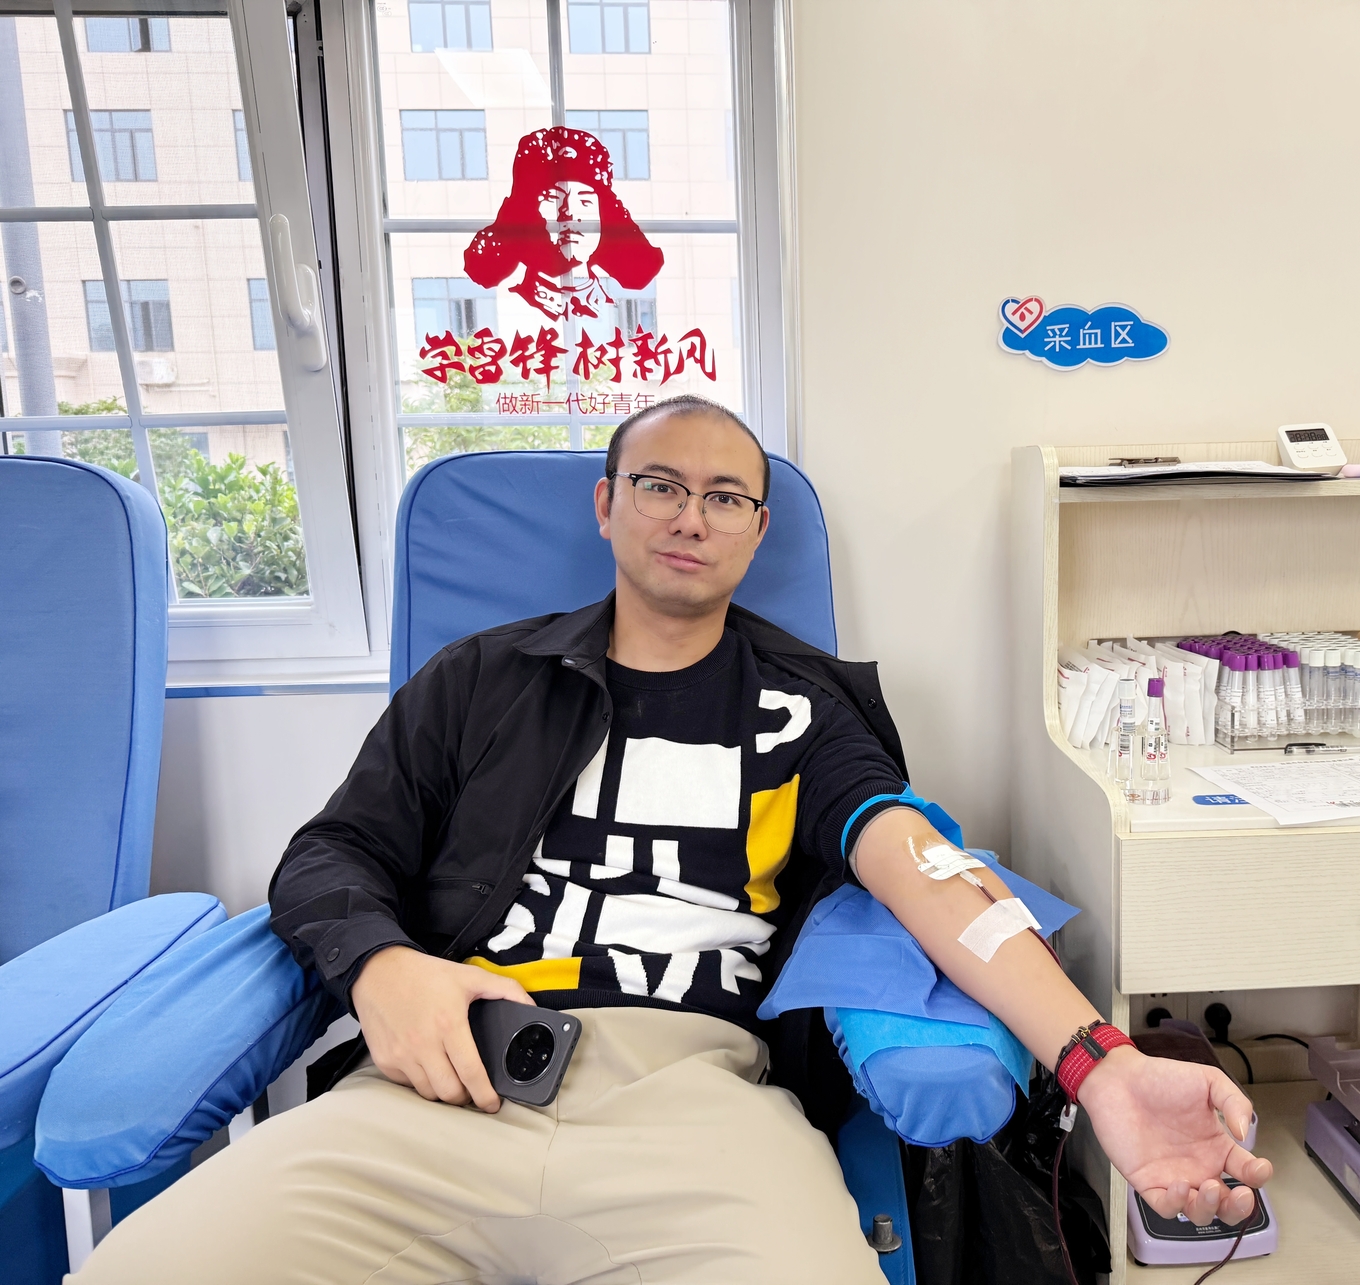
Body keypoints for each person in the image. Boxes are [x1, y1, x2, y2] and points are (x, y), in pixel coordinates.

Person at [74, 395, 1272, 1283]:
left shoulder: (807, 706)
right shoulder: (479, 680)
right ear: (607, 505)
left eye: (725, 496)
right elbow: (331, 853)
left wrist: (1100, 1062)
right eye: (659, 484)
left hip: (698, 1106)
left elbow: (917, 863)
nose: (690, 515)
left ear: (755, 531)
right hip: (440, 1090)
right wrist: (385, 969)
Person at [464, 126, 664, 324]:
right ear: (529, 211)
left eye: (585, 201)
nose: (570, 215)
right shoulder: (517, 310)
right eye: (554, 199)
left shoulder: (609, 304)